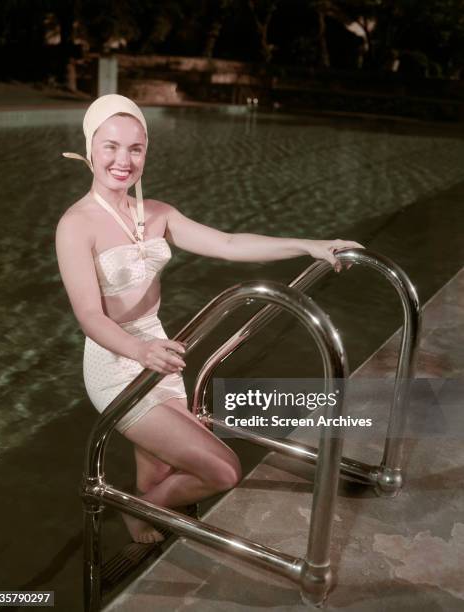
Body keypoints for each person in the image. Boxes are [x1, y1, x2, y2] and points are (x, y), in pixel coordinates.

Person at [56, 94, 363, 544]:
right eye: (111, 146)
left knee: (160, 466)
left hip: (159, 349)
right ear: (90, 148)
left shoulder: (157, 214)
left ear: (146, 151)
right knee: (223, 469)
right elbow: (88, 315)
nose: (123, 160)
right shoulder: (75, 225)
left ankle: (144, 517)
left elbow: (229, 243)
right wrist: (140, 351)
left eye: (135, 148)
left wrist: (311, 244)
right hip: (115, 362)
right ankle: (135, 508)